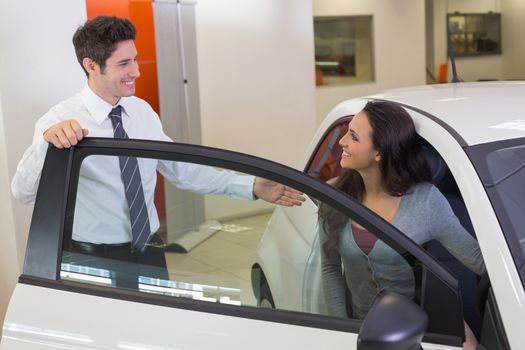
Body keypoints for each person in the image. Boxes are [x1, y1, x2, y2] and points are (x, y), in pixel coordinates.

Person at [12, 16, 303, 288]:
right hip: (93, 259)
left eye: (135, 60)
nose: (136, 72)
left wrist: (251, 185)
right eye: (124, 63)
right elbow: (22, 193)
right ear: (91, 65)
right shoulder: (58, 122)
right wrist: (46, 145)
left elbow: (182, 170)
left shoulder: (142, 112)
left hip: (150, 249)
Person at [318, 101, 484, 348]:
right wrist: (340, 332)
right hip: (365, 329)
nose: (341, 141)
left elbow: (479, 261)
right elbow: (330, 269)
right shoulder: (334, 195)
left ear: (379, 153)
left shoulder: (426, 201)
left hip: (425, 324)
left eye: (353, 136)